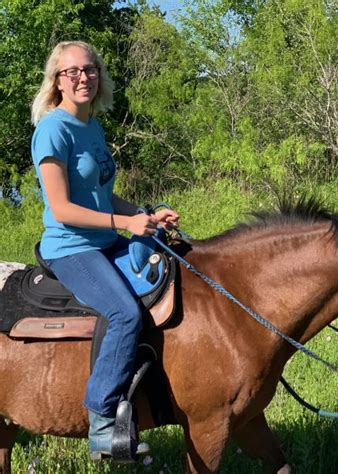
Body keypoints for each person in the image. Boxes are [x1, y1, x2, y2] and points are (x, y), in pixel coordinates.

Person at [30, 40, 179, 460]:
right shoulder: (52, 131)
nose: (83, 77)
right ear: (57, 81)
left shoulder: (92, 126)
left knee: (168, 267)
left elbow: (101, 196)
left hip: (105, 238)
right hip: (70, 247)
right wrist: (124, 225)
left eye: (90, 69)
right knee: (124, 313)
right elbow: (61, 209)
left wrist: (145, 215)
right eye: (72, 71)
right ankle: (101, 421)